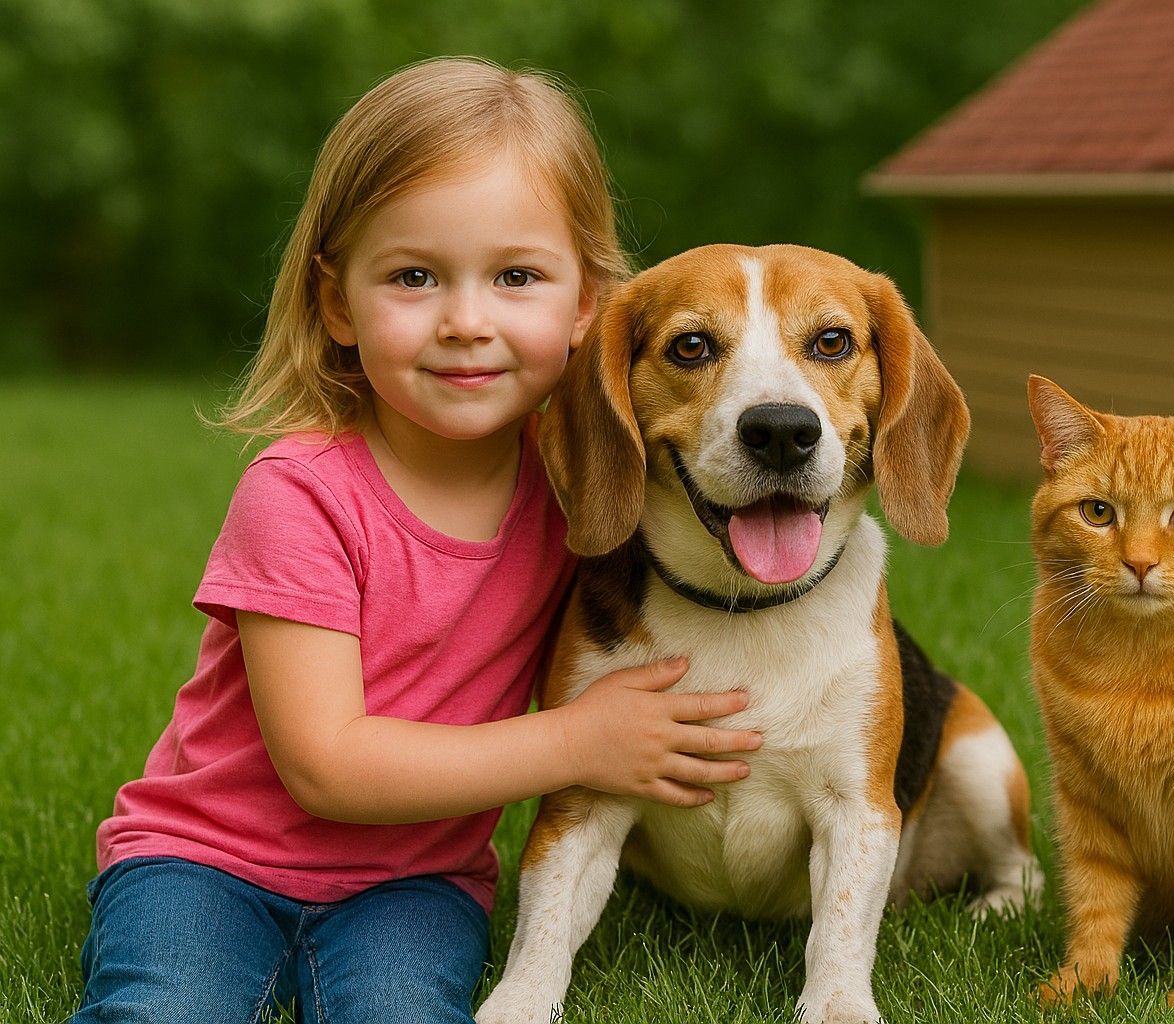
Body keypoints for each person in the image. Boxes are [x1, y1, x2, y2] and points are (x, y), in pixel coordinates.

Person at [73, 56, 762, 1024]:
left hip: (416, 880)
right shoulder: (301, 493)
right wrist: (574, 741)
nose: (467, 321)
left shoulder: (584, 481)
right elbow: (327, 763)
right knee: (165, 1008)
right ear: (338, 303)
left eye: (516, 275)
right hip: (206, 860)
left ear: (586, 305)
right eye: (414, 276)